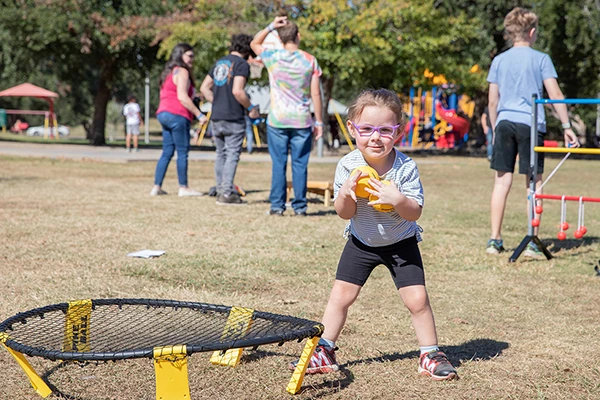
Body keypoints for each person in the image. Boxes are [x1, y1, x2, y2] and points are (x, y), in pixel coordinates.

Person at [290, 89, 458, 380]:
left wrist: (398, 199)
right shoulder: (348, 165)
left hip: (401, 243)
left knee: (417, 300)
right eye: (366, 129)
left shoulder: (405, 168)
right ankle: (325, 350)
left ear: (398, 132)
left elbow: (414, 212)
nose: (375, 137)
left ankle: (430, 354)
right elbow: (344, 212)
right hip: (361, 242)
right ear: (353, 129)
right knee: (340, 297)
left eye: (385, 130)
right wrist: (344, 194)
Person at [486, 7, 580, 256]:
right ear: (532, 32)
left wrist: (495, 129)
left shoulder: (499, 60)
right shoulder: (541, 59)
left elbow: (492, 101)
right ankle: (532, 241)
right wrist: (567, 127)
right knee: (533, 183)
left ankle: (494, 240)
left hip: (504, 122)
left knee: (501, 182)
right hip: (530, 123)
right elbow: (555, 94)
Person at [250, 15, 324, 216]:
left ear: (280, 39)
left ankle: (277, 206)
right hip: (301, 120)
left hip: (277, 120)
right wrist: (319, 121)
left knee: (279, 164)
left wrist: (271, 26)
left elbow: (254, 43)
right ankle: (300, 207)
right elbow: (316, 93)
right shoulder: (310, 60)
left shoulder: (272, 56)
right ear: (298, 36)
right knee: (300, 164)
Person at [200, 34, 259, 205]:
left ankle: (220, 189)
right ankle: (226, 193)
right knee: (232, 154)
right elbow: (238, 91)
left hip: (217, 116)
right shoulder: (241, 65)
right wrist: (250, 108)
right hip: (233, 117)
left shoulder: (220, 62)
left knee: (221, 154)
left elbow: (204, 87)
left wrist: (217, 102)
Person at [151, 43, 208, 197]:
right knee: (182, 152)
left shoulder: (169, 72)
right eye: (189, 56)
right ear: (180, 55)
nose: (192, 59)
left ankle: (156, 187)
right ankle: (184, 187)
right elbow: (182, 97)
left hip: (163, 113)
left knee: (167, 151)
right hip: (177, 114)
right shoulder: (182, 71)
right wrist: (199, 114)